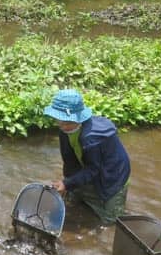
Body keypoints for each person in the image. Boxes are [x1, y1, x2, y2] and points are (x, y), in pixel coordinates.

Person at [44, 89, 130, 224]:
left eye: (67, 122)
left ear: (79, 118)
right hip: (89, 166)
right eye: (60, 122)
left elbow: (93, 169)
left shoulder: (92, 138)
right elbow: (69, 160)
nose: (63, 126)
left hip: (113, 175)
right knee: (73, 200)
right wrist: (68, 182)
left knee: (110, 221)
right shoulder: (64, 131)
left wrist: (67, 184)